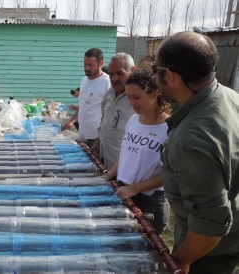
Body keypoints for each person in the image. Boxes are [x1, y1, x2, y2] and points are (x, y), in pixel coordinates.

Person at [155, 31, 239, 274]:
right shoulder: (228, 96)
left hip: (209, 254)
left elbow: (210, 223)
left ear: (169, 75)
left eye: (155, 69)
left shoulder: (191, 139)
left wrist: (181, 260)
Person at [101, 69, 170, 235]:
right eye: (129, 97)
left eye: (136, 97)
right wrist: (108, 175)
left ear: (155, 94)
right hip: (124, 191)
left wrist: (136, 188)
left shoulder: (169, 128)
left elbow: (171, 173)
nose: (131, 103)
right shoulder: (133, 120)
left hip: (149, 200)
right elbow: (126, 155)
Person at [91, 53, 136, 170]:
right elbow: (104, 120)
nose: (114, 78)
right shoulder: (110, 92)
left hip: (125, 167)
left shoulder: (138, 98)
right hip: (105, 160)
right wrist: (98, 140)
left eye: (120, 73)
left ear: (133, 70)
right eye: (111, 74)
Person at [62, 48, 111, 148]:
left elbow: (110, 112)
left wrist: (100, 138)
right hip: (82, 134)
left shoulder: (107, 83)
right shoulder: (84, 80)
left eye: (91, 65)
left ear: (101, 64)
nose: (87, 68)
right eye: (85, 64)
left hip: (96, 138)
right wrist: (72, 121)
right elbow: (82, 103)